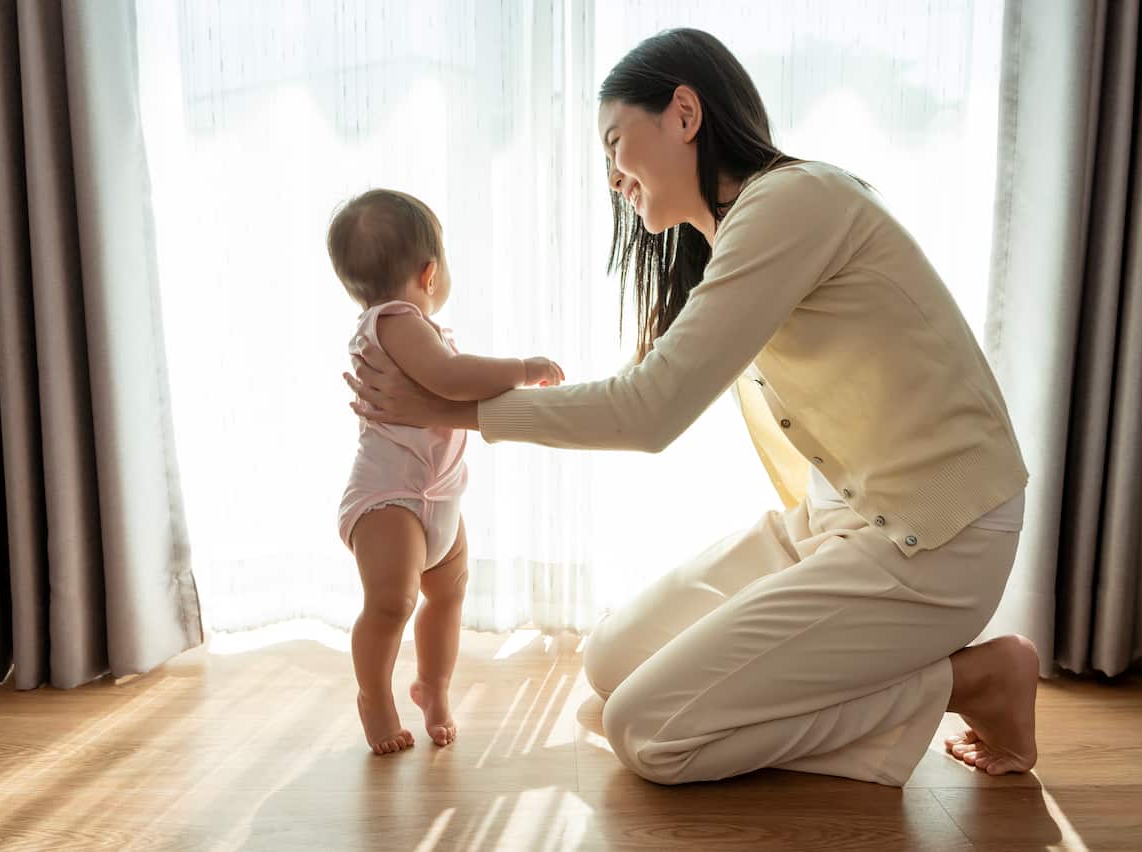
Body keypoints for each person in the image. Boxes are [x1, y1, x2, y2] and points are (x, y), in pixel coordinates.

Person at [343, 29, 1039, 785]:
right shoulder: (742, 232)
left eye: (615, 143)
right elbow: (642, 392)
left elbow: (647, 413)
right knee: (610, 661)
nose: (612, 176)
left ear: (683, 113)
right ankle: (875, 682)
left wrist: (453, 409)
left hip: (933, 537)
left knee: (649, 735)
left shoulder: (795, 202)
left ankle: (972, 681)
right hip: (839, 522)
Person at [328, 189, 564, 754]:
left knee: (448, 594)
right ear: (430, 272)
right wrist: (523, 367)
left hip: (439, 498)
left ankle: (431, 686)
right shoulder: (397, 320)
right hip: (390, 499)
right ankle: (374, 697)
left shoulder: (406, 327)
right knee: (391, 604)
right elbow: (453, 380)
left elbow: (446, 384)